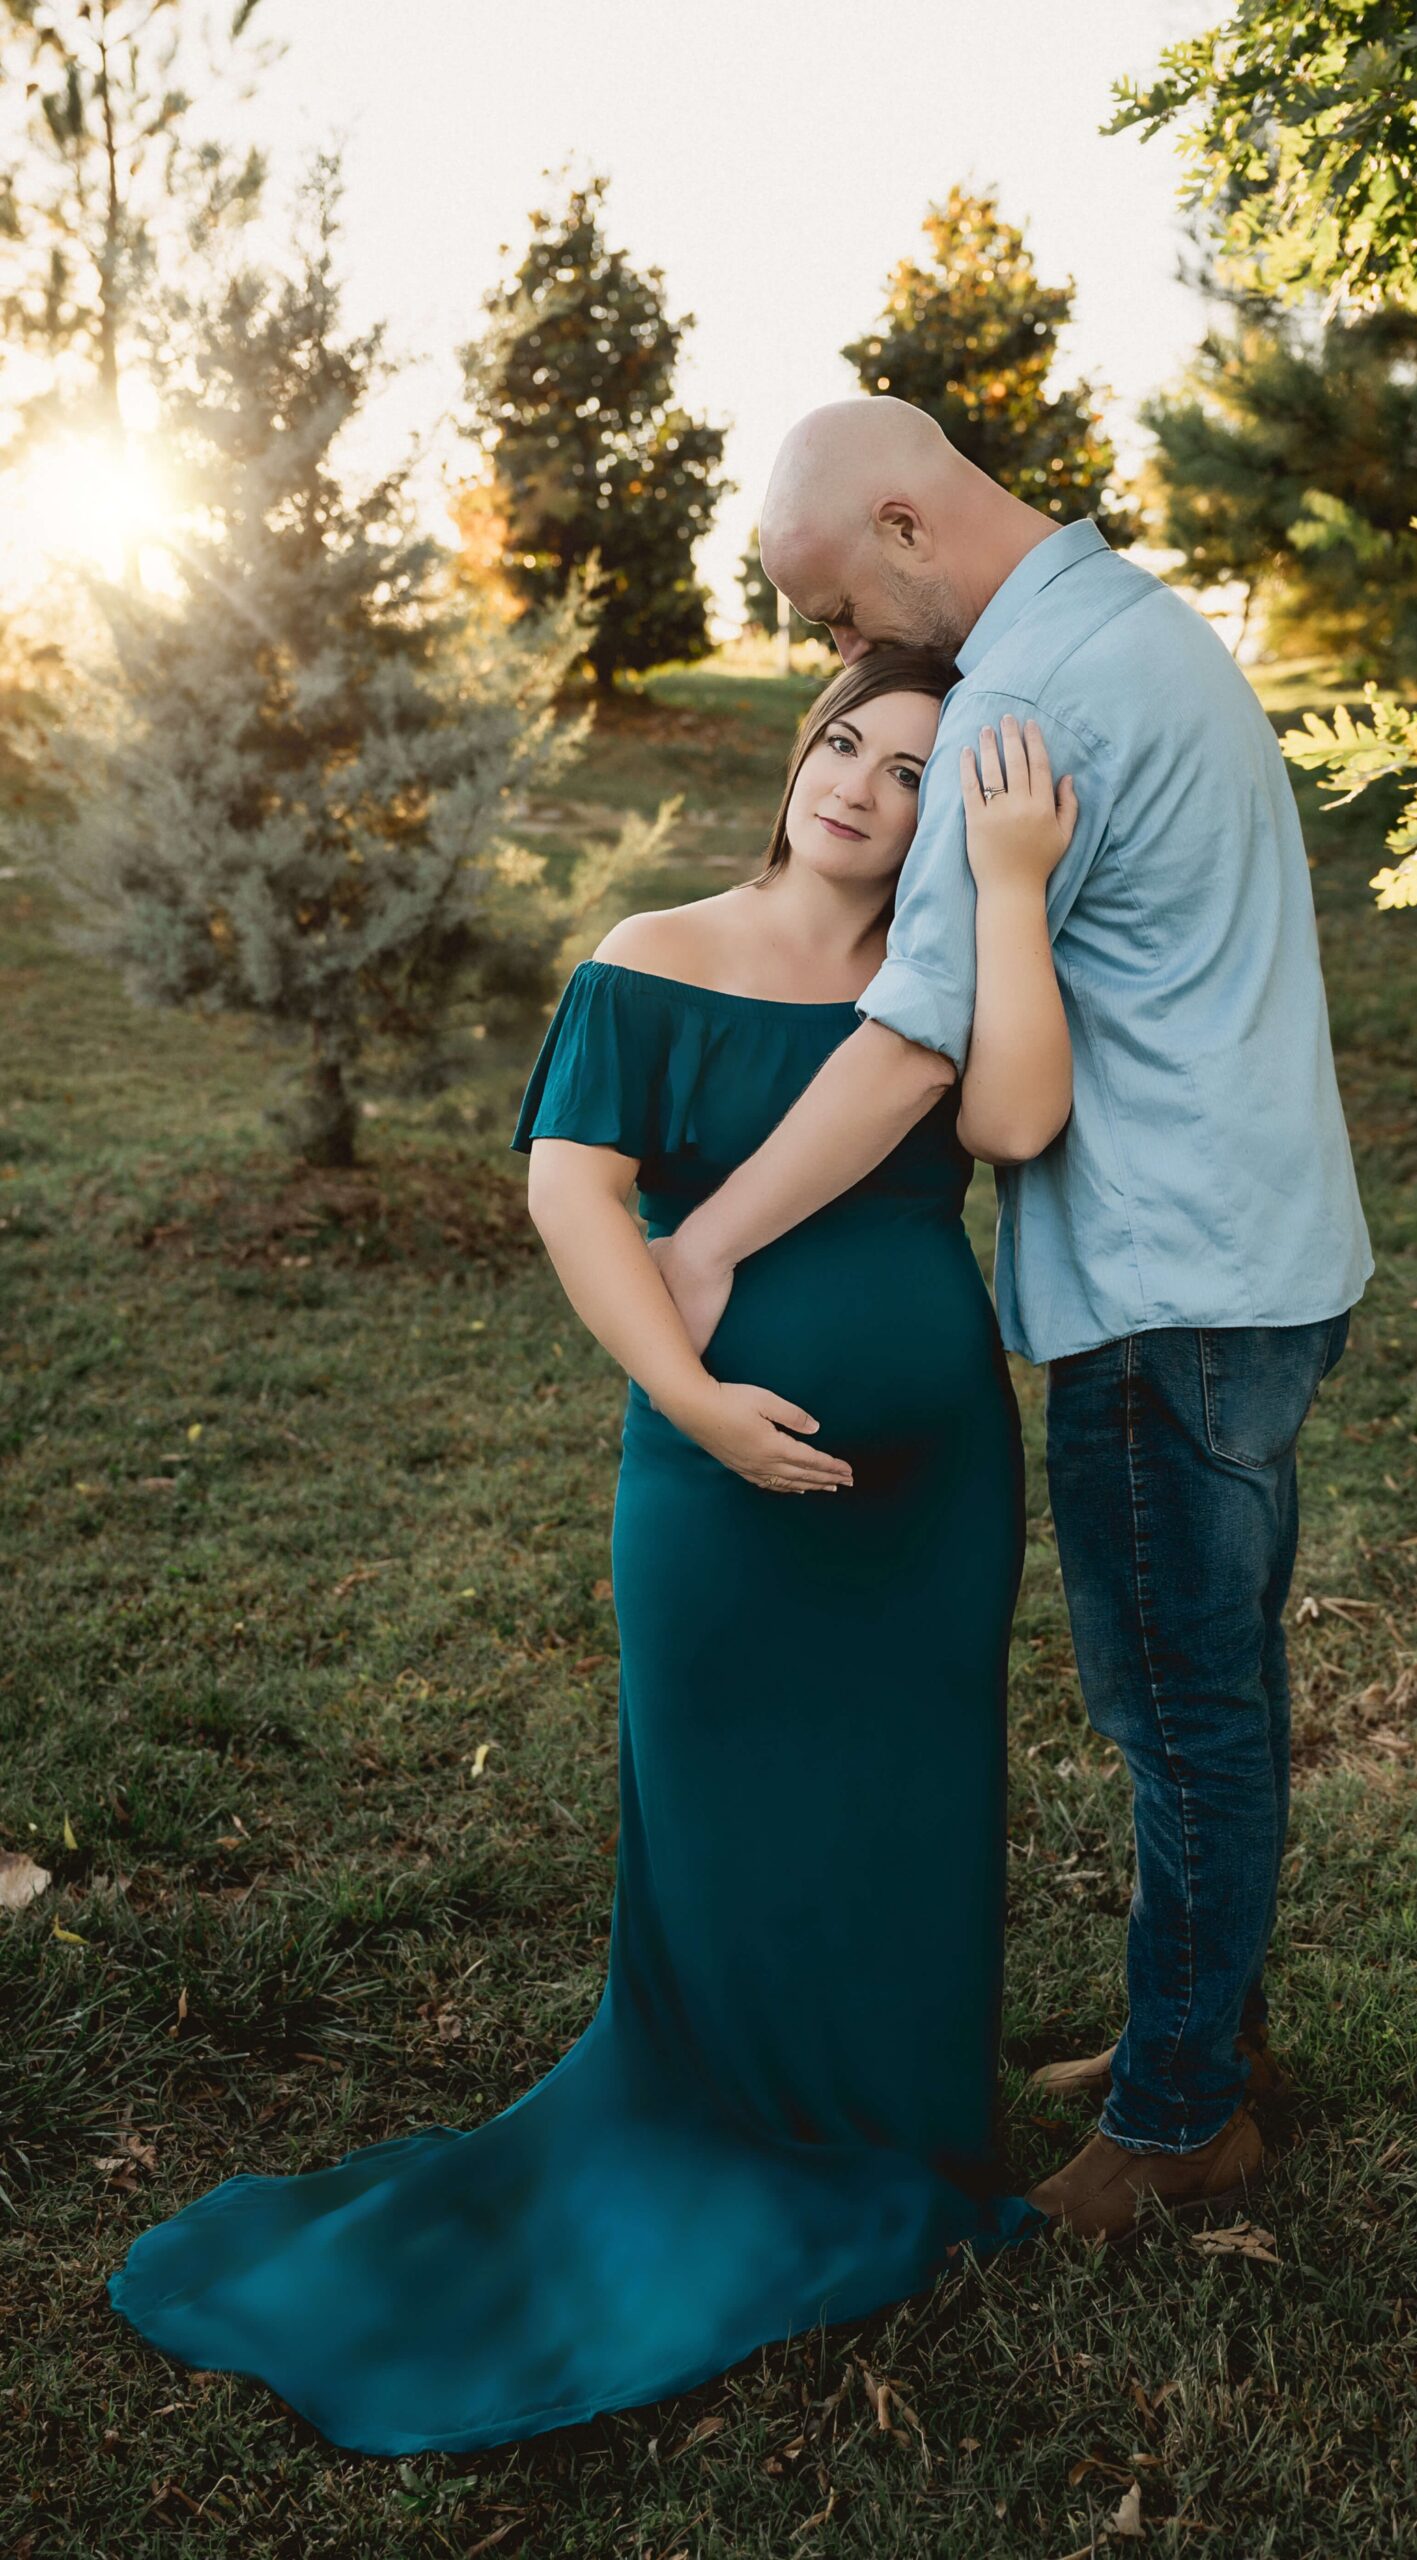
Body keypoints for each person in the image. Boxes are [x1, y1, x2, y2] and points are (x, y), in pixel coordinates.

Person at [106, 645, 1077, 2454]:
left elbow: (1018, 1124)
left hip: (934, 1493)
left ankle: (906, 2123)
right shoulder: (655, 949)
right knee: (727, 1811)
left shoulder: (941, 977)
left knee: (915, 1797)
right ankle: (728, 2121)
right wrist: (695, 1403)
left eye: (908, 770)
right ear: (801, 751)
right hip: (708, 1482)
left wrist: (1010, 889)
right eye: (842, 740)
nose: (857, 783)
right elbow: (575, 1190)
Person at [651, 398, 1374, 2240]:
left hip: (1169, 1285)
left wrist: (709, 1236)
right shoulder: (1134, 619)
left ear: (904, 521)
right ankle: (1216, 2030)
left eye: (829, 611)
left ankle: (1181, 2116)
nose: (839, 661)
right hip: (1266, 1252)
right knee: (1225, 1687)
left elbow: (916, 1057)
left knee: (1180, 1712)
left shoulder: (1020, 702)